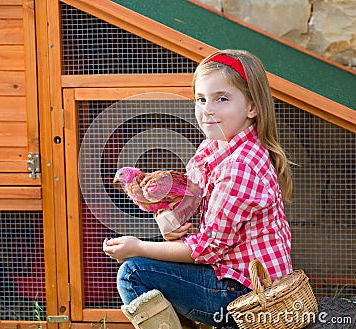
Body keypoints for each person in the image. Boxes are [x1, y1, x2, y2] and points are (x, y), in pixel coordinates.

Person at [103, 49, 293, 329]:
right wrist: (167, 224)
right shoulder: (212, 148)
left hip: (249, 294)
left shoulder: (240, 166)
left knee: (134, 272)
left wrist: (138, 247)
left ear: (252, 107)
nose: (208, 109)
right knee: (148, 268)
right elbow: (190, 210)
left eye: (222, 99)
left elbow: (207, 249)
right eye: (201, 99)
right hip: (225, 274)